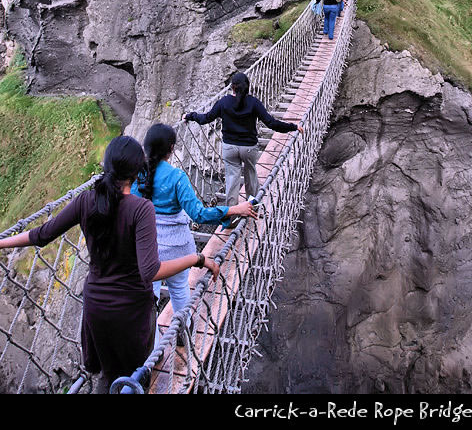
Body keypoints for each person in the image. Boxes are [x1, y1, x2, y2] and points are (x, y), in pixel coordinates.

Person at [0, 136, 219, 391]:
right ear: (138, 171)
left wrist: (1, 242)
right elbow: (150, 271)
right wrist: (198, 258)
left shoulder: (86, 200)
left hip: (96, 308)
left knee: (106, 375)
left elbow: (42, 234)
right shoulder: (141, 209)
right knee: (135, 378)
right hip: (132, 310)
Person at [131, 123, 257, 313]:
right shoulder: (177, 177)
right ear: (171, 149)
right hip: (178, 249)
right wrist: (234, 209)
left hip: (147, 247)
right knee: (180, 290)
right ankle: (184, 333)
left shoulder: (136, 176)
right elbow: (198, 214)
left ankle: (153, 340)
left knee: (150, 300)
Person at [183, 72, 304, 216]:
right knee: (251, 177)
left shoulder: (224, 102)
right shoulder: (254, 103)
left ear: (232, 87)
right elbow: (271, 123)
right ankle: (253, 207)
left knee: (232, 180)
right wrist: (293, 126)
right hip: (249, 148)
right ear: (247, 87)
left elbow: (206, 118)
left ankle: (231, 215)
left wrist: (190, 116)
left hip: (229, 148)